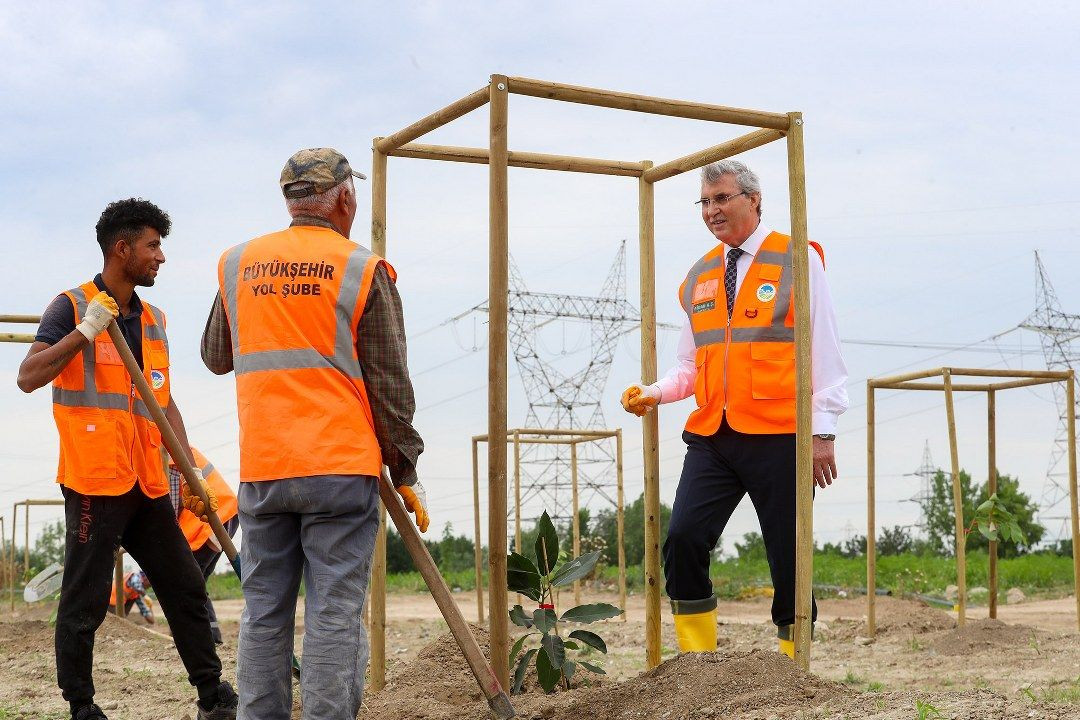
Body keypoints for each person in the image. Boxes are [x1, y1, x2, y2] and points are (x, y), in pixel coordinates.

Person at [201, 147, 426, 720]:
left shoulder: (237, 263)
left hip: (265, 469)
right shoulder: (362, 268)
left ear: (291, 201)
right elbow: (389, 384)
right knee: (333, 612)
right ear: (345, 198)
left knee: (263, 613)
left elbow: (215, 356)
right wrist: (406, 470)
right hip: (339, 468)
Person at [16, 198, 238, 720]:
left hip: (149, 482)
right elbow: (28, 377)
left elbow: (163, 402)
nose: (160, 257)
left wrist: (190, 474)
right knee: (85, 600)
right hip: (95, 479)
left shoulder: (155, 319)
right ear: (123, 249)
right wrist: (84, 332)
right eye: (153, 246)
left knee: (185, 588)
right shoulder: (71, 306)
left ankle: (215, 698)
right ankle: (83, 707)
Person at [620, 160, 848, 659]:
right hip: (714, 436)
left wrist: (823, 432)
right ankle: (696, 663)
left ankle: (794, 666)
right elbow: (690, 364)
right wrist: (654, 392)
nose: (712, 211)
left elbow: (825, 353)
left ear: (754, 199)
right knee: (681, 538)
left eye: (721, 198)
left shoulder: (797, 259)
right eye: (704, 202)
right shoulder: (701, 274)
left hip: (780, 434)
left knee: (788, 556)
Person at [168, 446, 239, 644]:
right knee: (197, 582)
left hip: (211, 520)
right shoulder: (177, 446)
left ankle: (197, 637)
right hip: (223, 515)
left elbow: (169, 515)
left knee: (188, 582)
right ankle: (211, 636)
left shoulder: (163, 453)